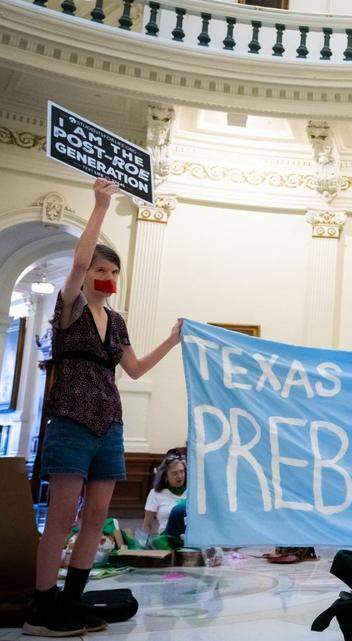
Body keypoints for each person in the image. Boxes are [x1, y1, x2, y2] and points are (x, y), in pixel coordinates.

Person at [24, 179, 183, 638]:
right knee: (61, 515)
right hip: (72, 417)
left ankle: (71, 603)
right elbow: (77, 260)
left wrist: (172, 341)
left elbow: (133, 369)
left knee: (95, 516)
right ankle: (42, 608)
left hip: (109, 423)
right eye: (101, 269)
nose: (108, 278)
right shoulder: (68, 308)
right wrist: (100, 207)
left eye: (114, 272)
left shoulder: (116, 321)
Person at [142, 453, 188, 545]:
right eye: (174, 473)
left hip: (190, 536)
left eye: (182, 472)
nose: (180, 476)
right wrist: (148, 545)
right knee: (178, 511)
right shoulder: (155, 493)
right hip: (167, 539)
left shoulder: (192, 491)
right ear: (166, 476)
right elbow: (147, 525)